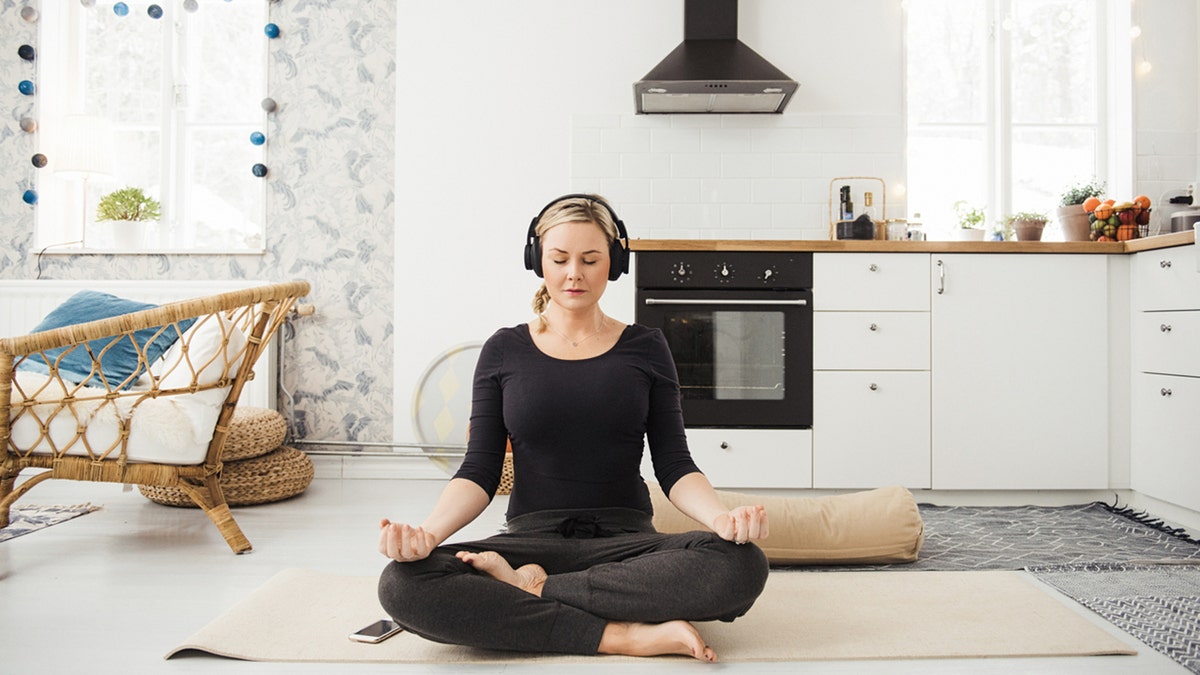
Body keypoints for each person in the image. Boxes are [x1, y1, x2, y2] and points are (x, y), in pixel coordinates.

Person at [377, 194, 769, 661]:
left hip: (629, 546)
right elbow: (478, 471)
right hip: (530, 539)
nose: (574, 274)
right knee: (403, 583)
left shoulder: (646, 346)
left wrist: (719, 519)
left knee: (741, 565)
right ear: (538, 261)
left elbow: (674, 463)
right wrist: (427, 536)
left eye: (590, 259)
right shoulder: (503, 349)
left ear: (614, 263)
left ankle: (535, 593)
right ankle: (620, 636)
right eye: (559, 259)